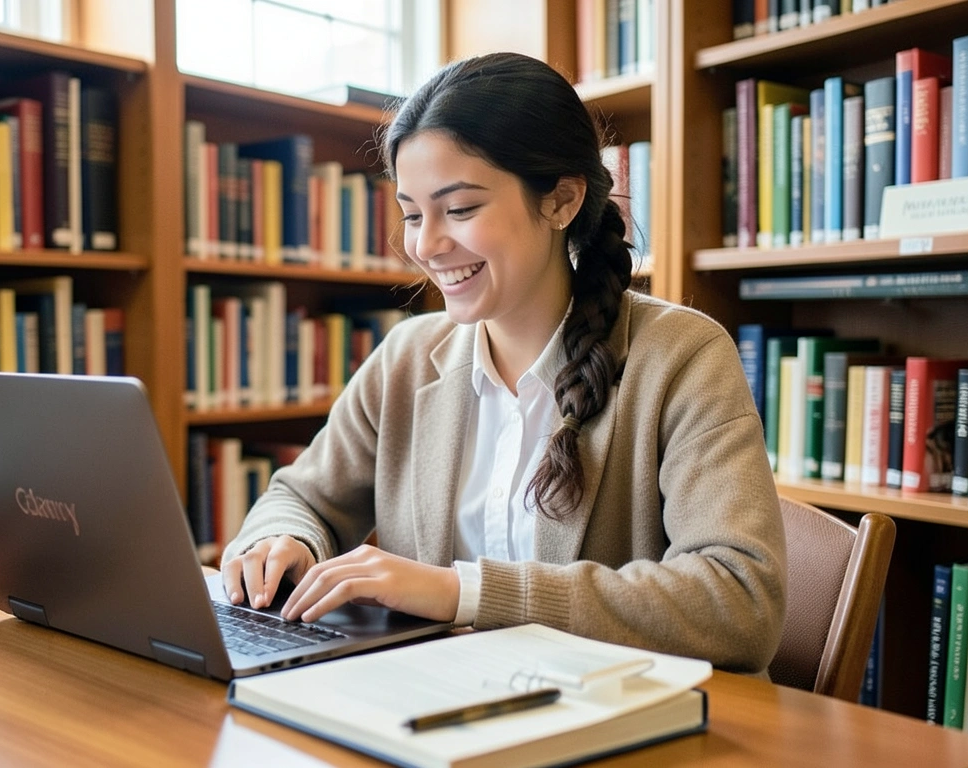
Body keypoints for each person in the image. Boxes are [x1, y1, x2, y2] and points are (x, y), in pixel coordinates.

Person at [220, 52, 786, 674]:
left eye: (459, 209)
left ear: (561, 201)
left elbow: (741, 604)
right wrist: (283, 541)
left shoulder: (682, 358)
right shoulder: (407, 359)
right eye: (412, 214)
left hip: (606, 722)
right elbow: (300, 498)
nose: (426, 246)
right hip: (433, 702)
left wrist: (463, 593)